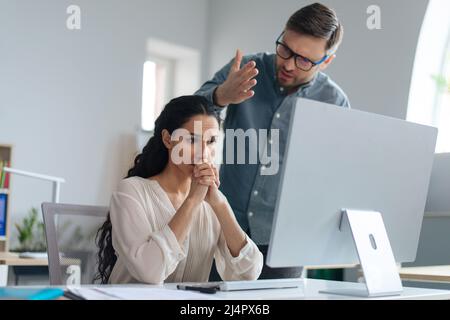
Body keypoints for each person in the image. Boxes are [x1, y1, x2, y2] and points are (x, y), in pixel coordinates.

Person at [195, 3, 350, 279]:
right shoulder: (244, 69)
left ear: (326, 61)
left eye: (303, 60)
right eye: (286, 49)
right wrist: (221, 95)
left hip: (285, 243)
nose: (288, 64)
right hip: (223, 229)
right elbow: (186, 116)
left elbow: (334, 178)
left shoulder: (335, 102)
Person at [95, 95, 263, 284]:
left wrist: (220, 203)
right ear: (168, 140)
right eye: (192, 140)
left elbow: (249, 272)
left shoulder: (213, 203)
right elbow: (150, 272)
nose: (204, 153)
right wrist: (192, 201)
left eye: (211, 141)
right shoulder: (130, 191)